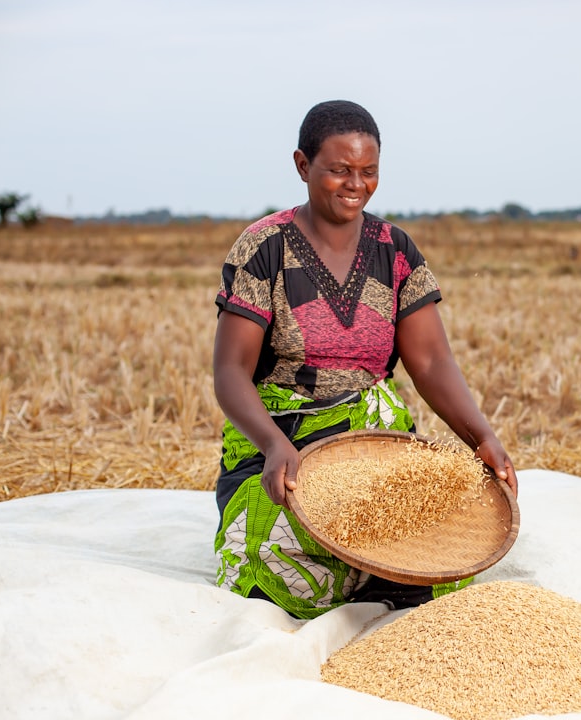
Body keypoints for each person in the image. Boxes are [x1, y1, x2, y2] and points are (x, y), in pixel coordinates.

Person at [211, 100, 518, 619]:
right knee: (279, 563)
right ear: (303, 166)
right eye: (338, 170)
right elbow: (230, 371)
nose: (356, 184)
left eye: (368, 171)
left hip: (373, 445)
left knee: (435, 537)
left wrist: (482, 437)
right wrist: (274, 445)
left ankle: (390, 584)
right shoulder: (264, 248)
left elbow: (431, 362)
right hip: (285, 443)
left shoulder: (393, 249)